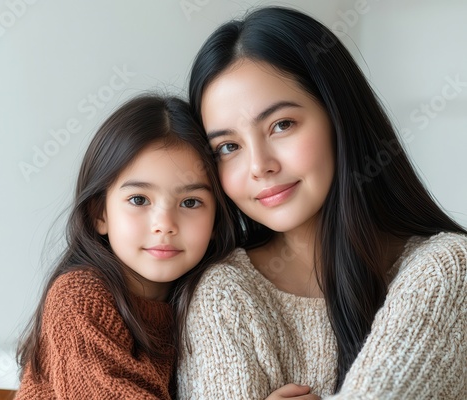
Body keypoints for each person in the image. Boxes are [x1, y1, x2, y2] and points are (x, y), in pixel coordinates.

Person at [177, 6, 467, 400]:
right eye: (228, 147)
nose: (260, 166)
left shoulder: (447, 268)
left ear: (338, 115)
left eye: (281, 125)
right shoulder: (223, 294)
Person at [14, 94, 238, 399]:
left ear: (215, 221)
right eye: (139, 200)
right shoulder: (79, 298)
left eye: (190, 202)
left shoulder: (206, 300)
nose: (165, 224)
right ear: (99, 213)